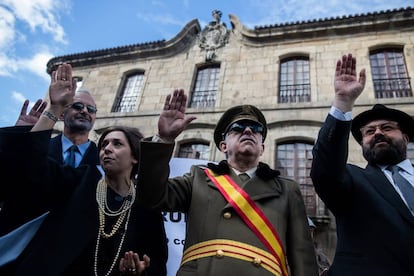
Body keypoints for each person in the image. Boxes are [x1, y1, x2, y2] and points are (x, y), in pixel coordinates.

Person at [0, 63, 168, 275]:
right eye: (104, 144)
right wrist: (47, 116)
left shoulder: (142, 204)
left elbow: (155, 258)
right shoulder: (85, 177)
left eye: (117, 144)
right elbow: (28, 171)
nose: (107, 149)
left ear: (135, 156)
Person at [136, 89, 319, 276]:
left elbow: (303, 259)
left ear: (262, 147)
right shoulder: (198, 178)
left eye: (256, 130)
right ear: (223, 145)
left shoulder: (287, 189)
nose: (248, 131)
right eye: (238, 128)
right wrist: (164, 139)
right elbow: (151, 196)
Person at [310, 53, 414, 275]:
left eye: (386, 128)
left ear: (405, 138)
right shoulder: (352, 181)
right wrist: (343, 102)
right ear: (363, 144)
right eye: (369, 132)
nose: (377, 133)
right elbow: (325, 168)